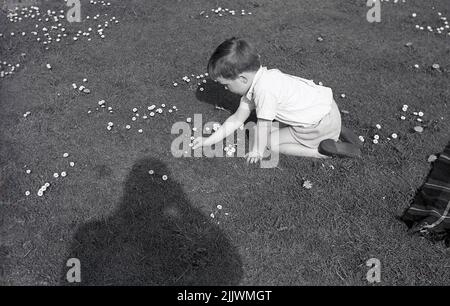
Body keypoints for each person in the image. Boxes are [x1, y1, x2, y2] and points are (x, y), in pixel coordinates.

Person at [193, 37, 362, 163]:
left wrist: (257, 151)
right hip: (329, 109)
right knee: (271, 130)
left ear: (242, 79)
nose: (225, 89)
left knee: (270, 142)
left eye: (226, 85)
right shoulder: (265, 77)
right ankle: (335, 129)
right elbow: (237, 118)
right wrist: (209, 140)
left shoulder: (264, 92)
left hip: (318, 125)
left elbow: (263, 125)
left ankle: (320, 151)